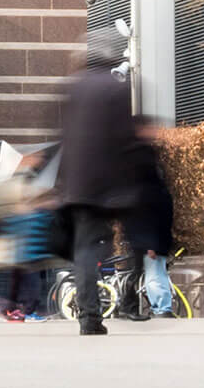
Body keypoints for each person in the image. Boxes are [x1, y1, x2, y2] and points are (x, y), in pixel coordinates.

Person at [56, 32, 149, 336]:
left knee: (84, 250)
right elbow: (124, 137)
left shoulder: (72, 89)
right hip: (107, 185)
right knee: (121, 240)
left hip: (77, 186)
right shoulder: (115, 88)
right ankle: (129, 302)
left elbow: (63, 138)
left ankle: (89, 316)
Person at [124, 120, 177, 320]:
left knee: (144, 269)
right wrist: (150, 241)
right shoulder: (143, 159)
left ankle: (129, 306)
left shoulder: (141, 158)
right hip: (150, 232)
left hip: (148, 231)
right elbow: (150, 202)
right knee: (153, 270)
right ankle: (161, 308)